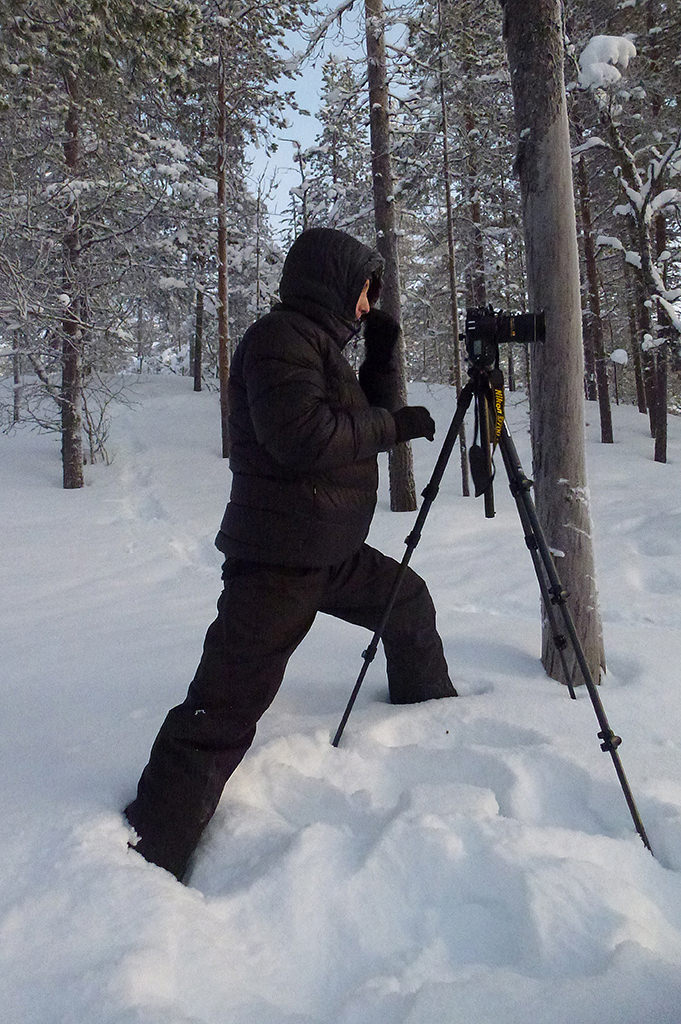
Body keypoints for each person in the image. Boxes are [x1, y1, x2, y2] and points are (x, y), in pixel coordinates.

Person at [124, 227, 456, 882]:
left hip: (325, 550)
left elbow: (368, 430)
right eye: (365, 293)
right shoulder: (277, 343)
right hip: (277, 563)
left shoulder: (320, 349)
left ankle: (433, 723)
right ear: (331, 282)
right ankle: (149, 850)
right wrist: (392, 422)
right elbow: (303, 438)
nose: (367, 307)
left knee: (406, 604)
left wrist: (383, 363)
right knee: (223, 707)